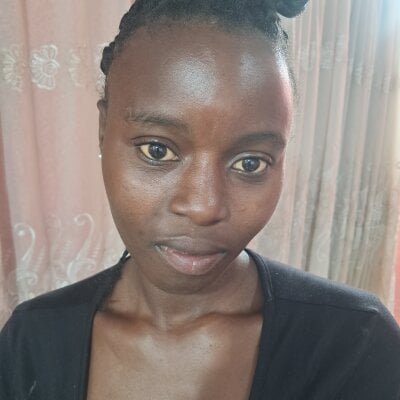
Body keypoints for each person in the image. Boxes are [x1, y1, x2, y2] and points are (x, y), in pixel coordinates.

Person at [1, 0, 400, 399]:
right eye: (157, 150)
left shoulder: (356, 347)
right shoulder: (31, 342)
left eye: (250, 163)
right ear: (103, 129)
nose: (204, 207)